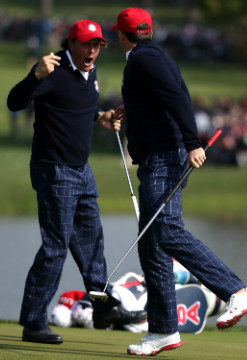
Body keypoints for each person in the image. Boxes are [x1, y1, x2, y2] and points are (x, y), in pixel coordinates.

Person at [111, 8, 247, 356]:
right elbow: (160, 96)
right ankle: (163, 330)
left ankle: (235, 291)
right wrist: (128, 107)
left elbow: (178, 97)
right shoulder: (149, 55)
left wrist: (193, 142)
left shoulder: (144, 59)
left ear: (121, 35)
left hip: (165, 156)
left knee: (166, 230)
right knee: (152, 244)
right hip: (158, 157)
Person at [7, 19, 146, 345]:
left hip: (81, 169)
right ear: (71, 43)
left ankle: (102, 305)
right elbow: (14, 102)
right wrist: (33, 76)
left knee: (91, 239)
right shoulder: (51, 70)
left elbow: (79, 105)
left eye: (97, 45)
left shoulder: (90, 72)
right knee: (56, 247)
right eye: (86, 44)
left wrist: (101, 117)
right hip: (54, 170)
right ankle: (33, 322)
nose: (93, 51)